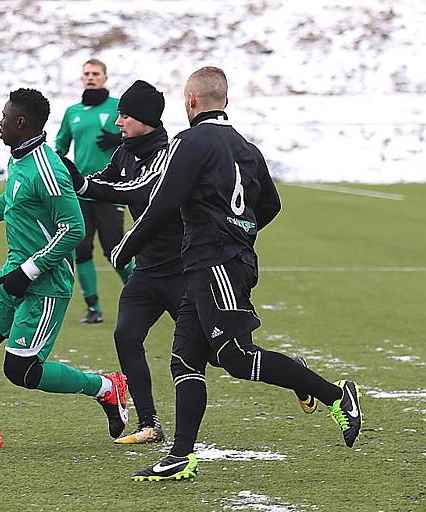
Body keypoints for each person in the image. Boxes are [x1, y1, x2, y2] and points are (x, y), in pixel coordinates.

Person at [107, 67, 362, 481]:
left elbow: (164, 201)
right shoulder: (248, 148)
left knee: (237, 359)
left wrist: (127, 246)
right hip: (208, 264)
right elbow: (271, 205)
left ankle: (337, 398)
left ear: (191, 101)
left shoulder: (187, 143)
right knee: (185, 359)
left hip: (217, 264)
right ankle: (179, 456)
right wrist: (242, 229)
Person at [0, 88, 129, 449]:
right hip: (14, 273)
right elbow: (10, 203)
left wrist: (30, 271)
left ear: (21, 123)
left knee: (22, 371)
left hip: (46, 283)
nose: (0, 124)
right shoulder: (20, 159)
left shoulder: (48, 169)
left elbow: (73, 229)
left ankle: (105, 387)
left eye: (4, 118)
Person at [63, 80, 184, 444]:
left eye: (125, 115)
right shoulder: (125, 151)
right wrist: (71, 180)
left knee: (226, 355)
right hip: (147, 271)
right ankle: (149, 423)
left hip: (181, 270)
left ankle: (305, 380)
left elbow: (137, 191)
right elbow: (104, 180)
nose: (118, 122)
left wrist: (83, 186)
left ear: (145, 120)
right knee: (126, 336)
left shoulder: (166, 153)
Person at [55, 58, 134, 324]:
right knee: (82, 248)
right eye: (87, 73)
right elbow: (61, 146)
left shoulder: (118, 108)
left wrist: (119, 139)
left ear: (105, 77)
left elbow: (139, 136)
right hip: (80, 191)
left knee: (114, 248)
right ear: (82, 78)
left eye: (96, 73)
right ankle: (93, 308)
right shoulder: (72, 112)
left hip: (111, 189)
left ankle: (139, 295)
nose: (91, 77)